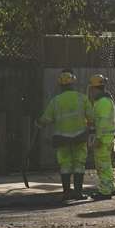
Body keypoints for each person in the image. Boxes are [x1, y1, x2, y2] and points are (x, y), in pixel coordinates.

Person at [38, 69, 90, 201]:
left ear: (61, 85)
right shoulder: (82, 98)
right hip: (79, 136)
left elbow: (46, 119)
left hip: (62, 138)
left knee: (65, 165)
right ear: (73, 83)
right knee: (79, 164)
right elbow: (92, 117)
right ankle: (78, 193)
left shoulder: (56, 101)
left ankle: (67, 192)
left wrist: (39, 123)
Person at [87, 74, 115, 200]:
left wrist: (98, 138)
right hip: (107, 138)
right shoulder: (105, 100)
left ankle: (105, 191)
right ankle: (110, 187)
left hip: (103, 139)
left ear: (94, 88)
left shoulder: (102, 102)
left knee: (102, 166)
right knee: (106, 165)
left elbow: (102, 122)